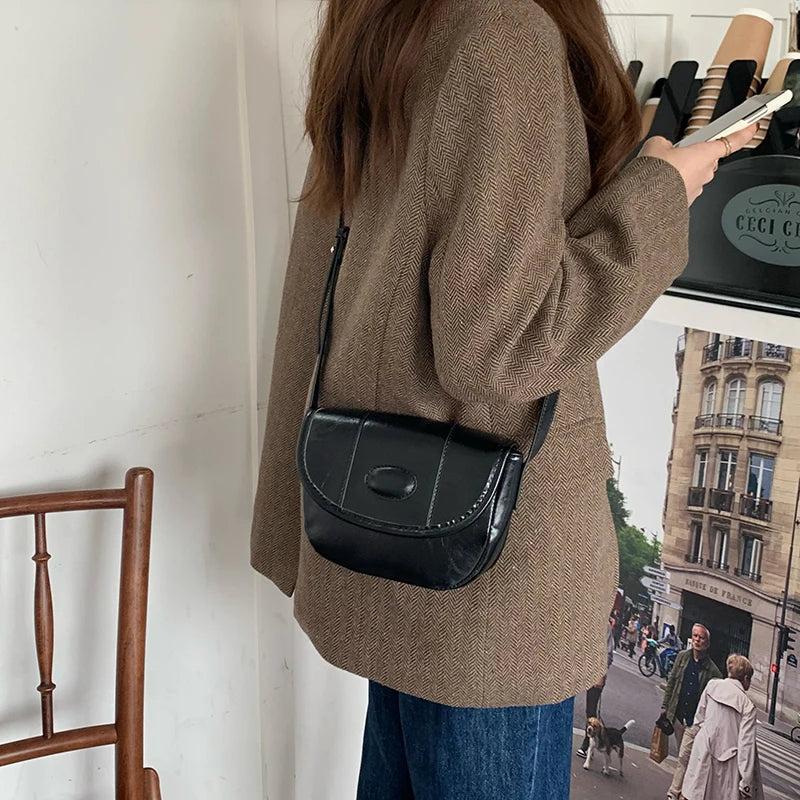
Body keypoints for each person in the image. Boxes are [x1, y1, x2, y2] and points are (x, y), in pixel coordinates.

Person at [248, 1, 757, 797]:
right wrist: (664, 190)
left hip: (392, 527)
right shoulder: (503, 32)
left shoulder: (388, 21)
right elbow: (504, 347)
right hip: (486, 582)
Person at [682, 655, 764, 800]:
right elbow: (746, 745)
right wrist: (746, 781)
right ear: (745, 678)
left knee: (696, 792)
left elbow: (699, 718)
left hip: (704, 749)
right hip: (729, 761)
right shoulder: (747, 706)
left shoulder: (712, 686)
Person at [661, 624, 723, 800]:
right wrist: (665, 706)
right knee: (684, 756)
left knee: (684, 756)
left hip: (695, 721)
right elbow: (672, 682)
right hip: (678, 715)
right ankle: (686, 790)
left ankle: (674, 792)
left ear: (707, 643)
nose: (697, 640)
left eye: (701, 637)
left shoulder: (713, 671)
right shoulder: (682, 657)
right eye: (695, 636)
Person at [576, 614, 616, 758]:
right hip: (580, 668)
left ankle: (588, 743)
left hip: (595, 672)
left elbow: (608, 653)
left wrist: (601, 674)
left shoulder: (605, 626)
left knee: (591, 710)